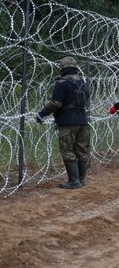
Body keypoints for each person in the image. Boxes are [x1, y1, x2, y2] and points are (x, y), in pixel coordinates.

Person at [35, 56, 90, 189]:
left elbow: (56, 103)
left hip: (67, 122)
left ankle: (73, 180)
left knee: (67, 150)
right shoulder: (84, 82)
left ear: (62, 68)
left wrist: (42, 113)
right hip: (83, 120)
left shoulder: (62, 83)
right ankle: (81, 179)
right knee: (82, 150)